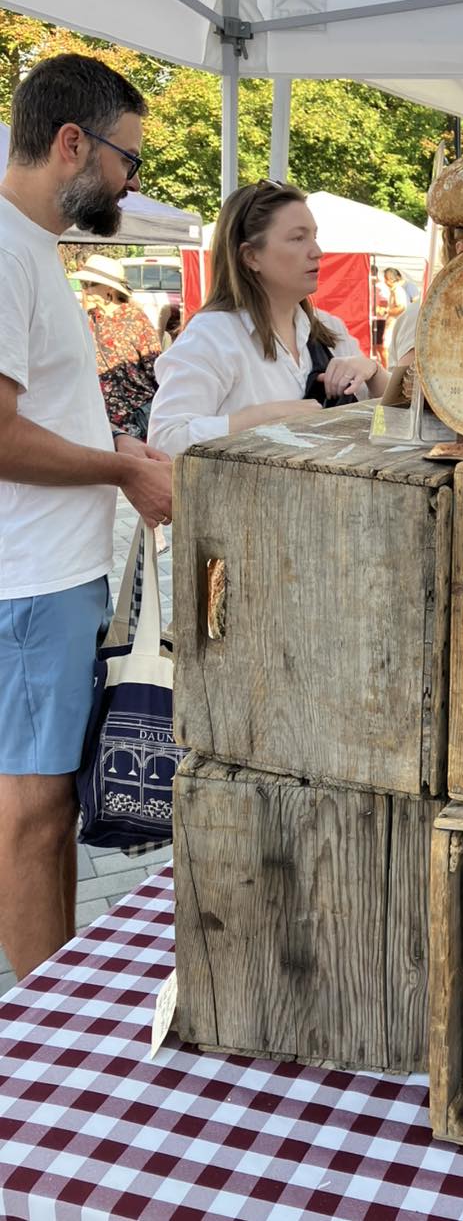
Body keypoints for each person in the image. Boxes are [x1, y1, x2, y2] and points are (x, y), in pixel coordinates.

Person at [0, 53, 173, 981]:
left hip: (52, 576)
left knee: (50, 809)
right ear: (73, 142)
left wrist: (118, 448)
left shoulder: (29, 249)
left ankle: (53, 993)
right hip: (28, 581)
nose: (128, 180)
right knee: (31, 816)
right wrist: (120, 468)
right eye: (125, 158)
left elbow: (44, 411)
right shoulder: (4, 249)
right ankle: (33, 1041)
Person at [149, 180, 390, 458]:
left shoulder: (329, 331)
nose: (317, 251)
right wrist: (262, 418)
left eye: (314, 236)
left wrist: (373, 372)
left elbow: (396, 422)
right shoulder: (214, 335)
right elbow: (164, 441)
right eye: (298, 238)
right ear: (251, 256)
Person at [73, 253, 161, 439]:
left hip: (137, 415)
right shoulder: (87, 319)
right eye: (84, 285)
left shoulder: (135, 318)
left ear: (109, 289)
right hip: (104, 419)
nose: (86, 291)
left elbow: (155, 367)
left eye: (90, 284)